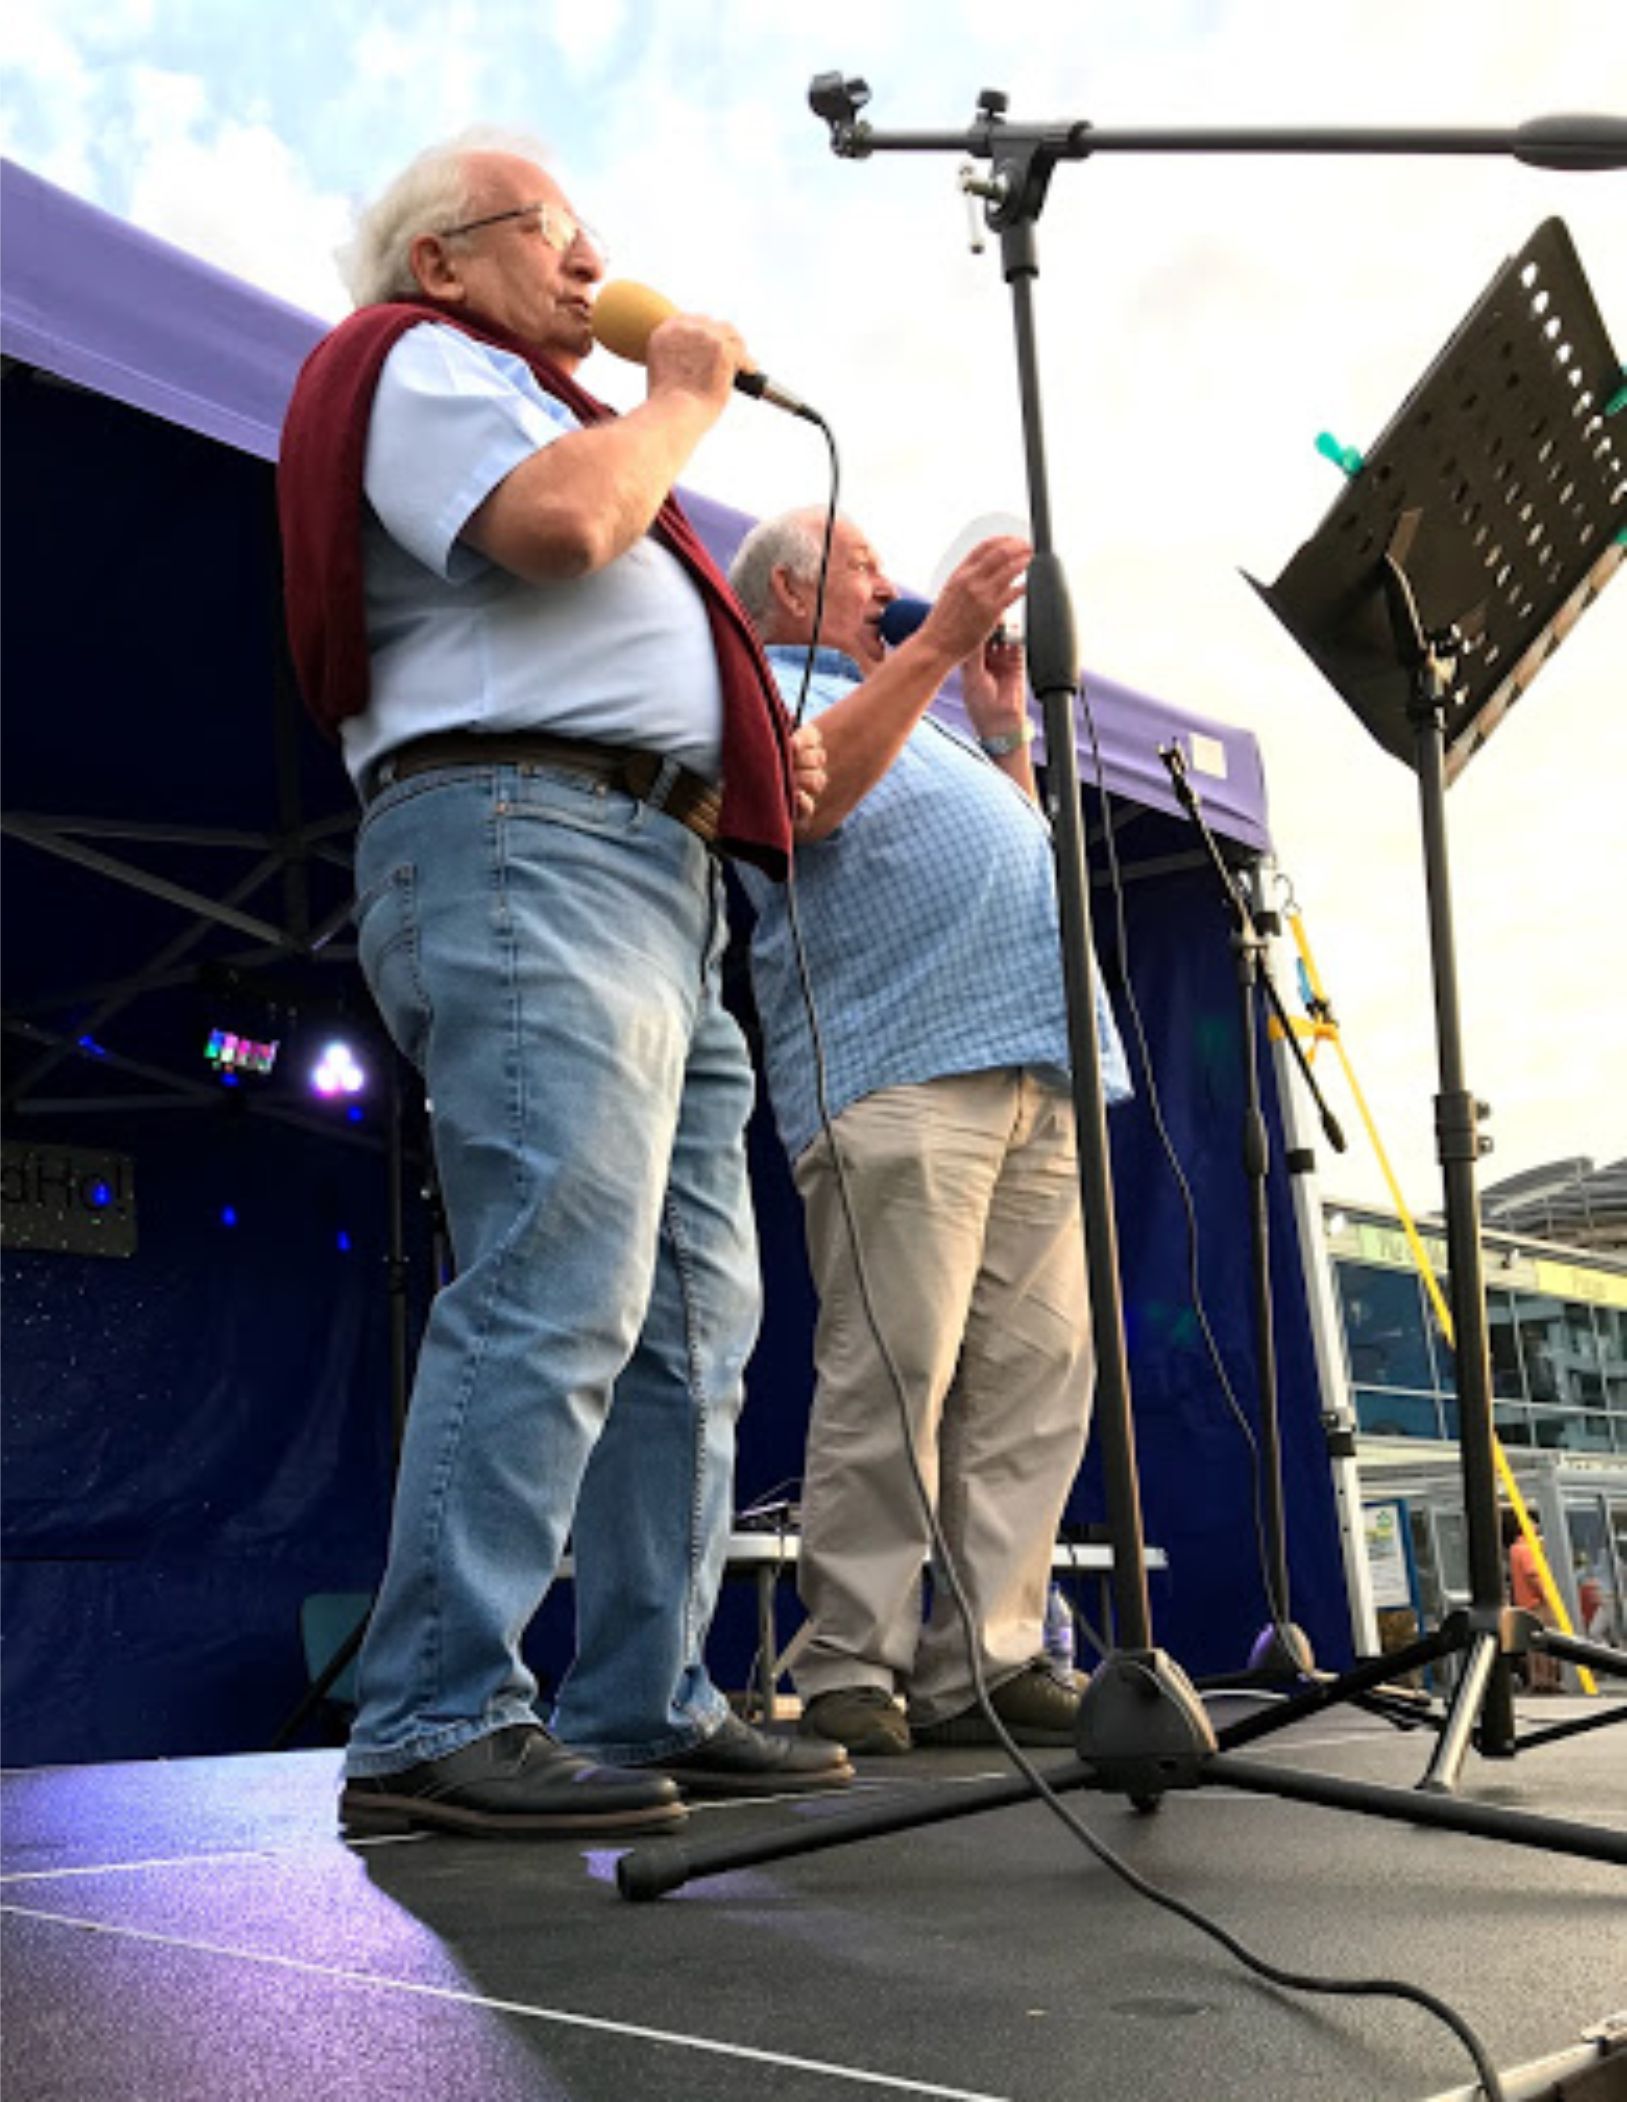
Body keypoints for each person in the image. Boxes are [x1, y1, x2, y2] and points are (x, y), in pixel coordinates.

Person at [276, 131, 847, 1838]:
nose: (594, 269)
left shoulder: (529, 385)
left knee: (687, 1318)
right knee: (558, 1280)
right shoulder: (423, 364)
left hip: (658, 872)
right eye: (558, 235)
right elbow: (564, 526)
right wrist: (677, 395)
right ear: (442, 259)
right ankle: (435, 1705)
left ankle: (641, 1691)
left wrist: (735, 741)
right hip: (528, 837)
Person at [728, 507, 1132, 1755]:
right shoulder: (766, 691)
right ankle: (851, 1657)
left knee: (1039, 1378)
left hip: (1034, 1069)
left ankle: (990, 1656)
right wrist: (939, 639)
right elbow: (810, 809)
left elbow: (1020, 840)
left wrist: (1003, 730)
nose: (889, 587)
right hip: (900, 1070)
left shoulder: (920, 711)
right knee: (895, 1373)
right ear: (790, 591)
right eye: (862, 568)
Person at [1501, 1507, 1562, 1692]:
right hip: (1538, 1602)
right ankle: (1549, 1681)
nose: (1536, 1526)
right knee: (1547, 1643)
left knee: (1531, 1647)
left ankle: (1536, 1680)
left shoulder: (1513, 1549)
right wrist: (1548, 1596)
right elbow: (1533, 1574)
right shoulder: (1528, 1549)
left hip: (1523, 1602)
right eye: (1532, 1522)